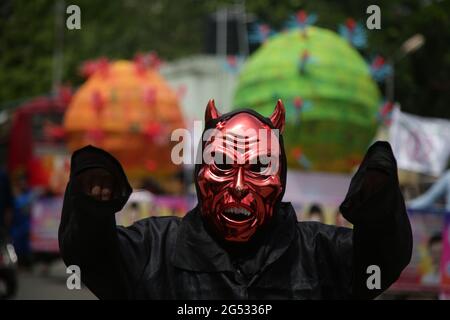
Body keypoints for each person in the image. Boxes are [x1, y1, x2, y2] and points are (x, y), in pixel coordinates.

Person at [59, 99, 412, 299]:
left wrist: (378, 205)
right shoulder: (156, 250)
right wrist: (92, 206)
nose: (239, 185)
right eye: (223, 166)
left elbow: (380, 261)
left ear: (281, 174)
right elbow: (93, 258)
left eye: (259, 167)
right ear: (200, 172)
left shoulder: (318, 254)